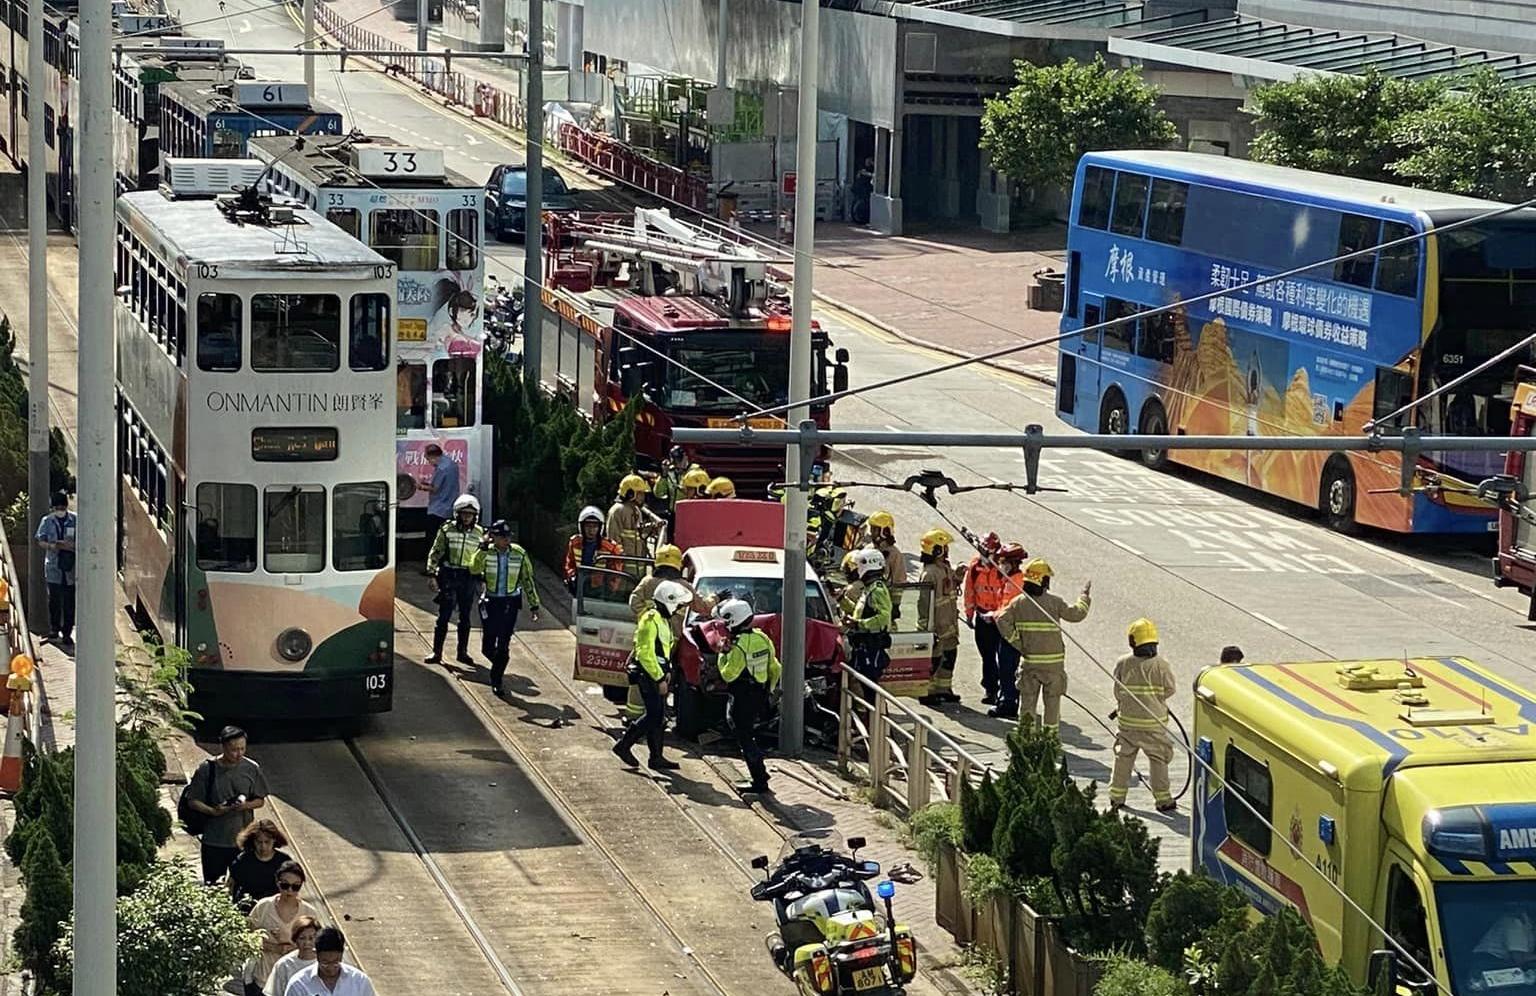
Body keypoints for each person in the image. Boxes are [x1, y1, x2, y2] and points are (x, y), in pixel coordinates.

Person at [993, 558, 1090, 728]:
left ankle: (1026, 738)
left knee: (1027, 705)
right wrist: (1084, 598)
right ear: (1044, 581)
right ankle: (1050, 739)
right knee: (1052, 706)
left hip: (1030, 663)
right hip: (1053, 666)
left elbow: (1001, 619)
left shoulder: (1018, 603)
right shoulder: (1055, 602)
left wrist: (1017, 643)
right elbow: (1076, 614)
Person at [612, 580, 691, 772]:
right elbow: (645, 653)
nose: (678, 609)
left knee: (659, 717)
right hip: (648, 675)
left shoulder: (662, 620)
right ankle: (624, 745)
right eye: (677, 605)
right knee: (654, 716)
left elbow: (662, 650)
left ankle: (656, 757)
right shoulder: (650, 619)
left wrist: (667, 672)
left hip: (658, 673)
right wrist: (659, 678)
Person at [1108, 619, 1178, 814]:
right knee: (1158, 759)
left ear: (1133, 642)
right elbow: (1170, 689)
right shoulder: (1161, 664)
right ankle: (1163, 800)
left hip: (1127, 723)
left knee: (1123, 758)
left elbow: (1117, 690)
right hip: (1153, 723)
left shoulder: (1123, 663)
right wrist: (1155, 699)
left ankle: (1116, 797)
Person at [186, 725, 270, 885]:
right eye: (234, 750)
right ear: (223, 747)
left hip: (243, 840)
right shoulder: (207, 769)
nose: (239, 753)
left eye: (242, 748)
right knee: (213, 886)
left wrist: (244, 806)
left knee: (243, 885)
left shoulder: (251, 768)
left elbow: (260, 800)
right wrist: (212, 811)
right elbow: (193, 800)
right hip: (214, 840)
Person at [716, 598, 781, 794]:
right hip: (759, 693)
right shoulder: (762, 637)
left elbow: (728, 674)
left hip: (742, 695)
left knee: (743, 736)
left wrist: (722, 654)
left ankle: (759, 779)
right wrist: (769, 690)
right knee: (748, 732)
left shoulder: (739, 646)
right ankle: (760, 774)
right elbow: (775, 667)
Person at [474, 519, 540, 696]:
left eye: (508, 536)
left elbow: (527, 579)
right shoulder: (486, 552)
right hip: (491, 602)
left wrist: (534, 604)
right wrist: (481, 549)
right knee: (487, 646)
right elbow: (473, 569)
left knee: (504, 642)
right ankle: (500, 663)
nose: (506, 540)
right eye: (502, 537)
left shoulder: (519, 553)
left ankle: (497, 679)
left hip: (510, 603)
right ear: (493, 537)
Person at [425, 494, 486, 666]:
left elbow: (483, 559)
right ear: (457, 514)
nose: (467, 517)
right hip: (449, 576)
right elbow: (436, 552)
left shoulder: (480, 533)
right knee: (443, 616)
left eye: (470, 514)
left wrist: (483, 579)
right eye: (464, 514)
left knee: (465, 617)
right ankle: (437, 652)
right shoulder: (447, 530)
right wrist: (431, 575)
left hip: (468, 578)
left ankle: (462, 652)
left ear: (475, 516)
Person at [246, 861, 321, 991]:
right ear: (277, 883)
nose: (290, 890)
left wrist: (291, 948)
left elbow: (318, 946)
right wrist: (273, 947)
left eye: (295, 886)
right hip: (263, 978)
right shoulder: (264, 907)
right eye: (285, 885)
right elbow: (247, 937)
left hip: (296, 982)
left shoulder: (309, 912)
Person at [979, 544, 1027, 717]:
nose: (1001, 565)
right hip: (1004, 630)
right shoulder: (1009, 579)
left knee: (1008, 669)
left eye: (1003, 562)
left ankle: (1008, 703)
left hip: (1011, 632)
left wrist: (993, 615)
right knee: (1005, 668)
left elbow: (1009, 608)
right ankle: (1005, 700)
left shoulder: (1016, 582)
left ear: (1013, 563)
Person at [917, 528, 962, 706]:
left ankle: (944, 689)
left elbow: (949, 587)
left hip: (949, 624)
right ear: (937, 550)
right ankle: (927, 691)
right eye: (944, 547)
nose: (947, 550)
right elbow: (924, 603)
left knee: (949, 656)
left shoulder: (944, 568)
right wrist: (927, 629)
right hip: (936, 626)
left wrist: (959, 575)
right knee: (933, 660)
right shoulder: (929, 573)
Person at [964, 532, 1009, 706]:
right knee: (987, 656)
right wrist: (969, 613)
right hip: (982, 616)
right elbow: (969, 591)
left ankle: (1005, 692)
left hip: (1000, 618)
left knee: (1004, 657)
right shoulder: (975, 567)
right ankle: (991, 689)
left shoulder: (1001, 569)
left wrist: (1000, 615)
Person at [842, 549, 893, 683]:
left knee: (868, 685)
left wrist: (859, 624)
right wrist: (841, 599)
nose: (857, 569)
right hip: (862, 645)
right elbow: (860, 612)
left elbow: (883, 617)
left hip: (871, 645)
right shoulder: (869, 588)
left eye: (859, 565)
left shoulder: (877, 589)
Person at [282, 927, 377, 996]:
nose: (331, 969)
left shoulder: (359, 981)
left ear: (342, 954)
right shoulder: (299, 984)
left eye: (336, 962)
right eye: (325, 963)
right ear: (316, 954)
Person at [34, 491, 76, 647]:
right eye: (57, 508)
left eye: (62, 507)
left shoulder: (75, 520)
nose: (60, 510)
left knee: (69, 603)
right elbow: (40, 540)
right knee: (54, 600)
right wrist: (53, 546)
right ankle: (54, 629)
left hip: (70, 567)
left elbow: (83, 540)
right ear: (53, 508)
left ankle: (67, 633)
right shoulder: (47, 521)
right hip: (53, 566)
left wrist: (71, 546)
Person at [227, 818, 294, 913]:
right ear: (253, 841)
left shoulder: (284, 861)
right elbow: (230, 885)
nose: (263, 847)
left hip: (274, 911)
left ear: (274, 840)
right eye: (259, 842)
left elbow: (291, 889)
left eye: (267, 842)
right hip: (247, 909)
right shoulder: (243, 860)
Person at [607, 474, 663, 578]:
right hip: (623, 571)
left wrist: (651, 528)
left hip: (639, 569)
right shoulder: (617, 511)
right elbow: (613, 539)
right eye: (640, 493)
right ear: (630, 494)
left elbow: (638, 535)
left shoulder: (637, 511)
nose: (643, 497)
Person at [564, 505, 622, 595]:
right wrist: (571, 576)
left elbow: (616, 571)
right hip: (579, 586)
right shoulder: (574, 542)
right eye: (588, 526)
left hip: (600, 590)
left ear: (600, 527)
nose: (591, 530)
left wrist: (611, 589)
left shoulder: (610, 547)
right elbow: (570, 564)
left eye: (595, 526)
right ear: (582, 527)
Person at [417, 444, 460, 562]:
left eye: (428, 459)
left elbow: (435, 489)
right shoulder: (451, 464)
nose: (429, 462)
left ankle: (432, 564)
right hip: (450, 506)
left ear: (433, 456)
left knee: (433, 540)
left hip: (438, 509)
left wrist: (420, 486)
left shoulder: (441, 468)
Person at [265, 915, 321, 996]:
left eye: (311, 938)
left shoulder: (327, 962)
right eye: (302, 938)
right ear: (295, 939)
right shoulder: (284, 965)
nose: (307, 943)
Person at [866, 510, 906, 585]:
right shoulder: (868, 549)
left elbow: (899, 582)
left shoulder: (894, 554)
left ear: (885, 531)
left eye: (874, 529)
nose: (871, 532)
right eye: (871, 528)